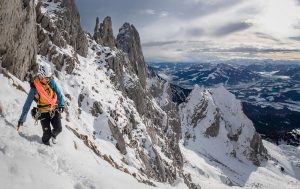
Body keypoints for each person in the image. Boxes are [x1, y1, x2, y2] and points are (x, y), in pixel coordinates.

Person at [18, 64, 64, 146]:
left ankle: (53, 135)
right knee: (47, 134)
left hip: (54, 110)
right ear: (41, 76)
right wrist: (22, 119)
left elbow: (58, 93)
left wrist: (61, 105)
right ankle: (45, 146)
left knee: (58, 129)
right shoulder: (34, 89)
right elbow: (27, 104)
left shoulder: (51, 82)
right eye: (46, 78)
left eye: (49, 78)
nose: (48, 80)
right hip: (43, 113)